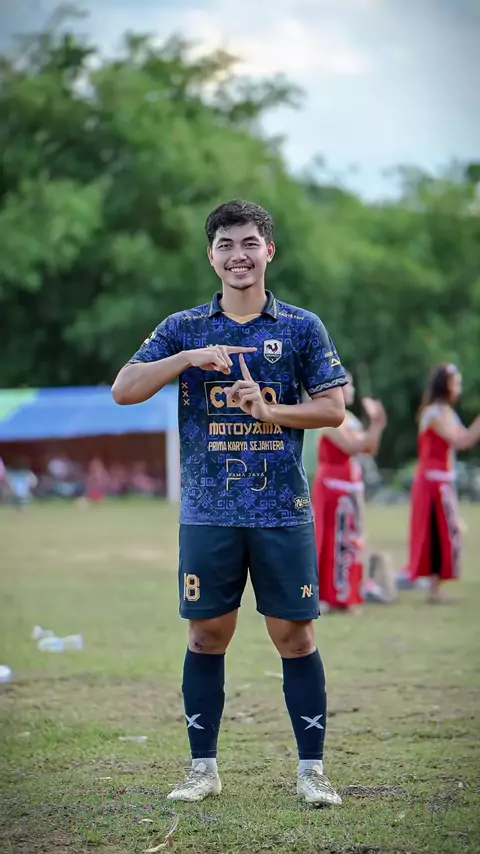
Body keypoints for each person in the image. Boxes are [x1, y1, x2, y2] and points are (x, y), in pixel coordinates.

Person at [112, 199, 347, 806]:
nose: (237, 255)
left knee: (295, 637)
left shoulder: (301, 327)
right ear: (211, 257)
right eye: (225, 245)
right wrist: (186, 359)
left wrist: (270, 410)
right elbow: (124, 390)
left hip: (281, 510)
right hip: (207, 511)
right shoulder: (184, 327)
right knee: (206, 635)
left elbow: (333, 409)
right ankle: (202, 769)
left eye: (248, 243)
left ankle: (312, 772)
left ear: (269, 250)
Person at [312, 373, 386, 614]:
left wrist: (377, 425)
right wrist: (374, 426)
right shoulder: (326, 419)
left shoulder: (350, 419)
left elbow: (369, 447)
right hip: (333, 489)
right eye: (348, 384)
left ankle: (345, 595)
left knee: (350, 542)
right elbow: (352, 446)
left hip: (350, 487)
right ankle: (329, 596)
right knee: (332, 541)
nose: (351, 389)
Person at [408, 363, 480, 603]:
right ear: (445, 385)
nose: (459, 387)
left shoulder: (449, 413)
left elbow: (465, 440)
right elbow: (458, 441)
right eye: (455, 382)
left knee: (447, 533)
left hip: (444, 482)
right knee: (436, 534)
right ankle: (433, 590)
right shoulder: (432, 414)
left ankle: (436, 587)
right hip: (431, 483)